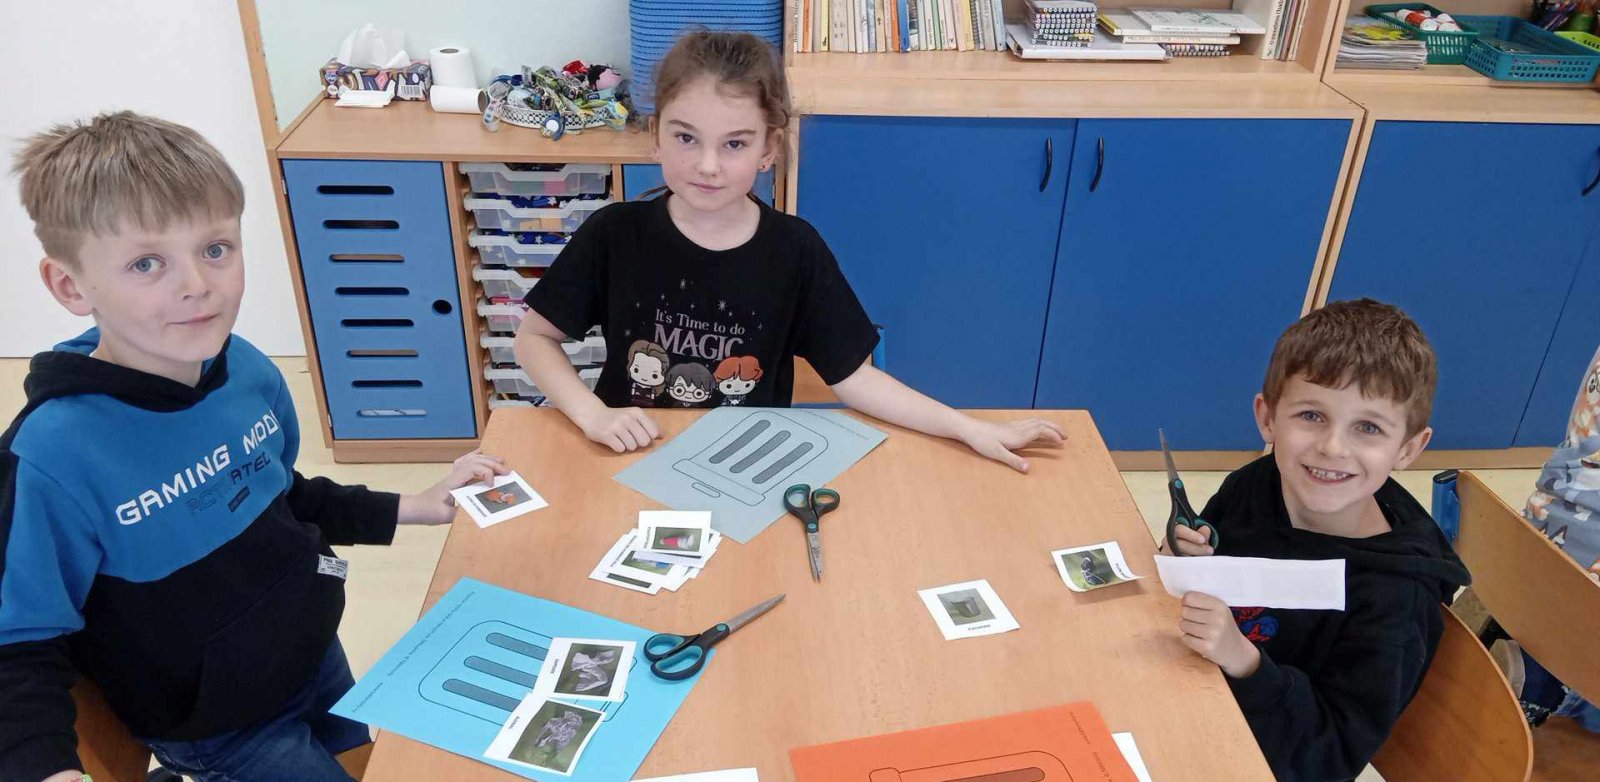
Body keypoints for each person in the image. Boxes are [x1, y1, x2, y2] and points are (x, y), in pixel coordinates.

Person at [1, 111, 508, 782]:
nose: (196, 284)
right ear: (71, 285)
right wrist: (46, 769)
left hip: (312, 655)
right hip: (221, 729)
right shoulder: (51, 457)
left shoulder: (246, 371)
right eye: (147, 263)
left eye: (215, 248)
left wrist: (411, 505)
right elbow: (16, 643)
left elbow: (279, 494)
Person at [513, 31, 1062, 472]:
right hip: (627, 456)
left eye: (735, 143)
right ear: (655, 135)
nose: (707, 164)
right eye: (685, 137)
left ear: (769, 148)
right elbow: (534, 339)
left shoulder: (795, 250)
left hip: (741, 468)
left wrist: (967, 427)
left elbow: (855, 378)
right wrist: (591, 414)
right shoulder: (615, 232)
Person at [1170, 299, 1470, 781]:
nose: (1332, 447)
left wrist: (1245, 663)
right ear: (1268, 418)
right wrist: (1188, 556)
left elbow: (1328, 760)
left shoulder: (1396, 597)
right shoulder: (1260, 482)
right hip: (1187, 702)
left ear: (1408, 448)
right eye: (1311, 415)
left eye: (1368, 427)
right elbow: (1209, 562)